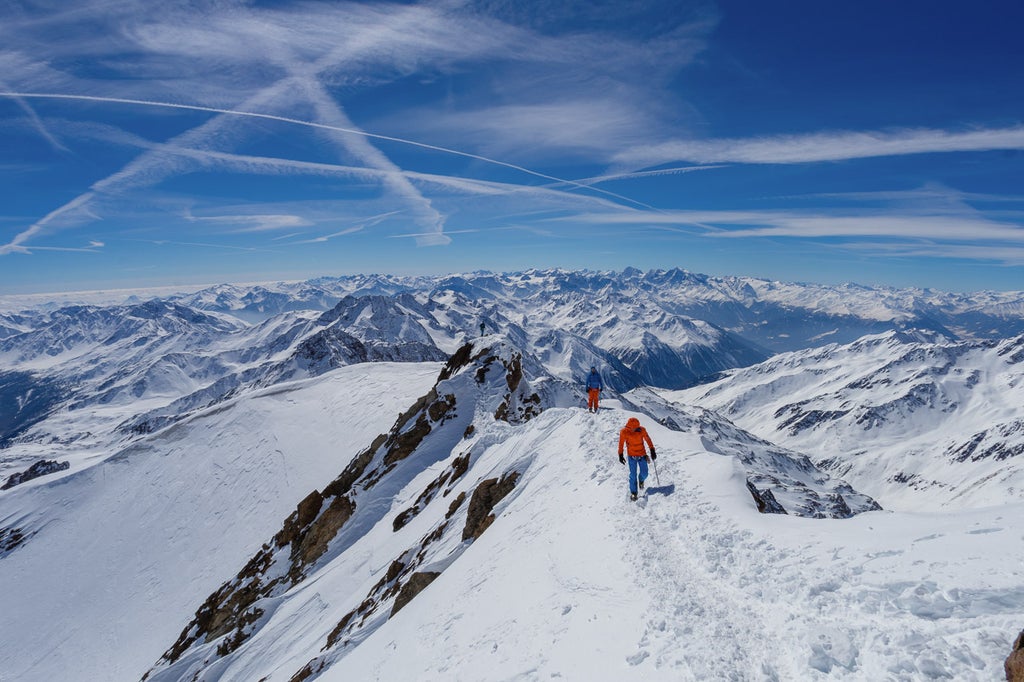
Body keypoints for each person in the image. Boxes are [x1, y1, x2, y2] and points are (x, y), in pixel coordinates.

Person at [618, 416, 656, 501]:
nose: (636, 429)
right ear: (630, 427)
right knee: (633, 475)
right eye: (635, 428)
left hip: (642, 454)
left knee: (645, 473)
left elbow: (648, 439)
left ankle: (641, 479)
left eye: (637, 427)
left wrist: (652, 449)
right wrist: (620, 454)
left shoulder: (642, 430)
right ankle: (633, 493)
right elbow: (621, 444)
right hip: (631, 456)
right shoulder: (624, 432)